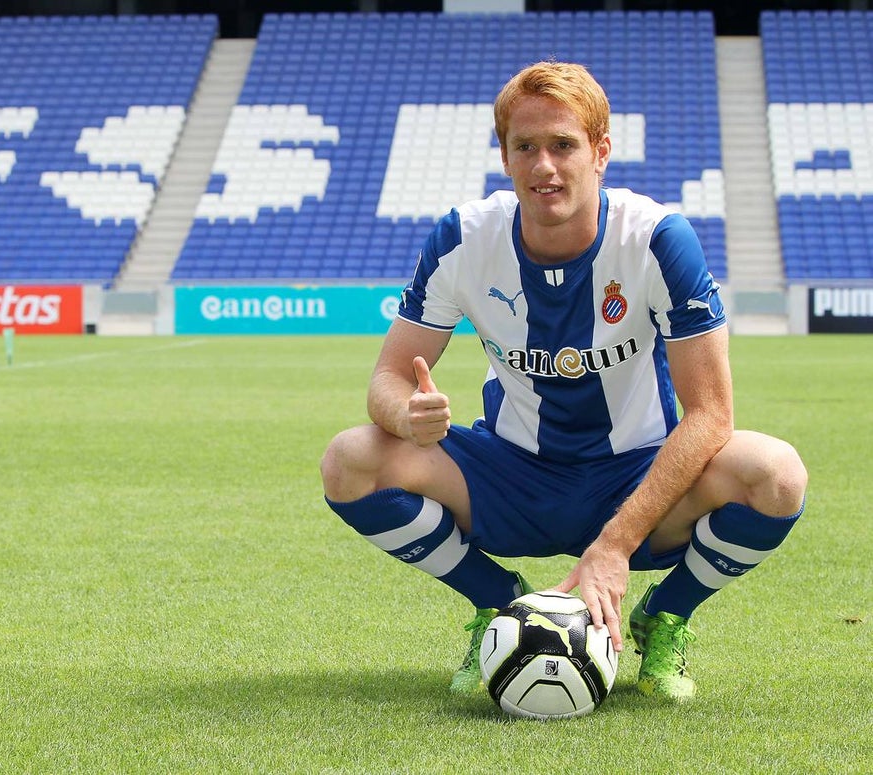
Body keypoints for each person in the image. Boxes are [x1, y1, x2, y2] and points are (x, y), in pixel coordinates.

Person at [319, 60, 808, 701]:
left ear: (600, 153)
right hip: (513, 472)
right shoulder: (463, 238)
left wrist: (615, 545)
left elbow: (711, 416)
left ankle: (667, 615)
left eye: (563, 145)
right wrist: (404, 413)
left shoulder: (658, 240)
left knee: (777, 474)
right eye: (526, 147)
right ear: (505, 156)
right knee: (349, 461)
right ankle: (500, 604)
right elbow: (388, 376)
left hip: (638, 474)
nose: (544, 166)